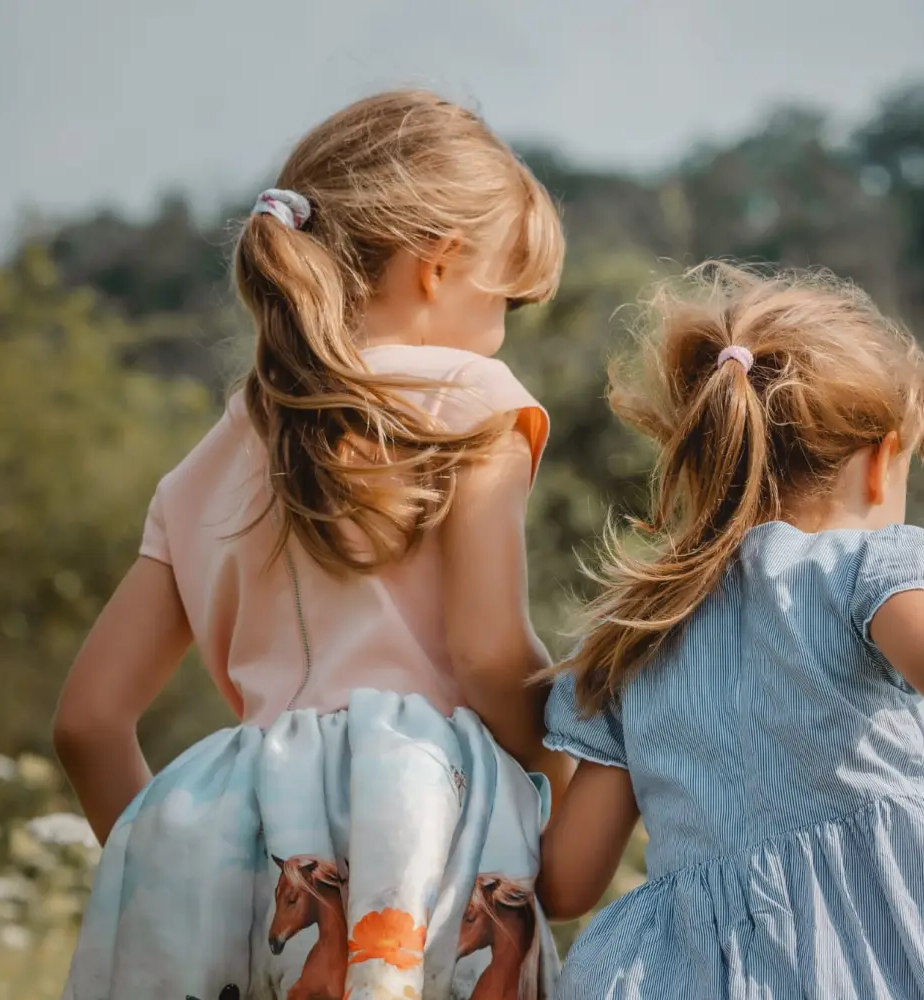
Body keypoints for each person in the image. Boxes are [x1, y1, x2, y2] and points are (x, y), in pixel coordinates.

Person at [52, 89, 571, 1000]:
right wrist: (573, 761)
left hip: (236, 836)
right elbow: (490, 657)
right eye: (508, 298)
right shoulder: (471, 400)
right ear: (438, 266)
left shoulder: (202, 467)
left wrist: (182, 876)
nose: (502, 328)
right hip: (422, 835)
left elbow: (88, 723)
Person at [537, 263, 924, 999]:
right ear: (880, 463)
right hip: (871, 950)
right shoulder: (864, 566)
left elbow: (565, 883)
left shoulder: (640, 630)